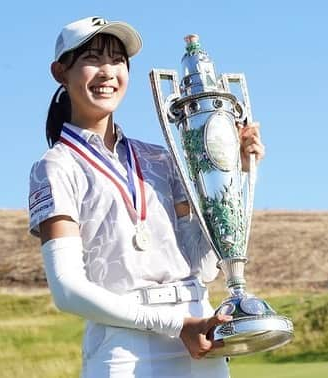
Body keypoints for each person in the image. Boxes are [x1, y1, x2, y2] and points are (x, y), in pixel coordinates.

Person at [28, 16, 265, 378]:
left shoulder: (159, 158)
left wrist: (234, 169)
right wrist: (175, 324)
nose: (107, 71)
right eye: (92, 58)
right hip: (125, 347)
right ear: (60, 72)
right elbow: (68, 291)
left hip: (199, 337)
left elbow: (201, 265)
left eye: (118, 60)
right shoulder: (55, 167)